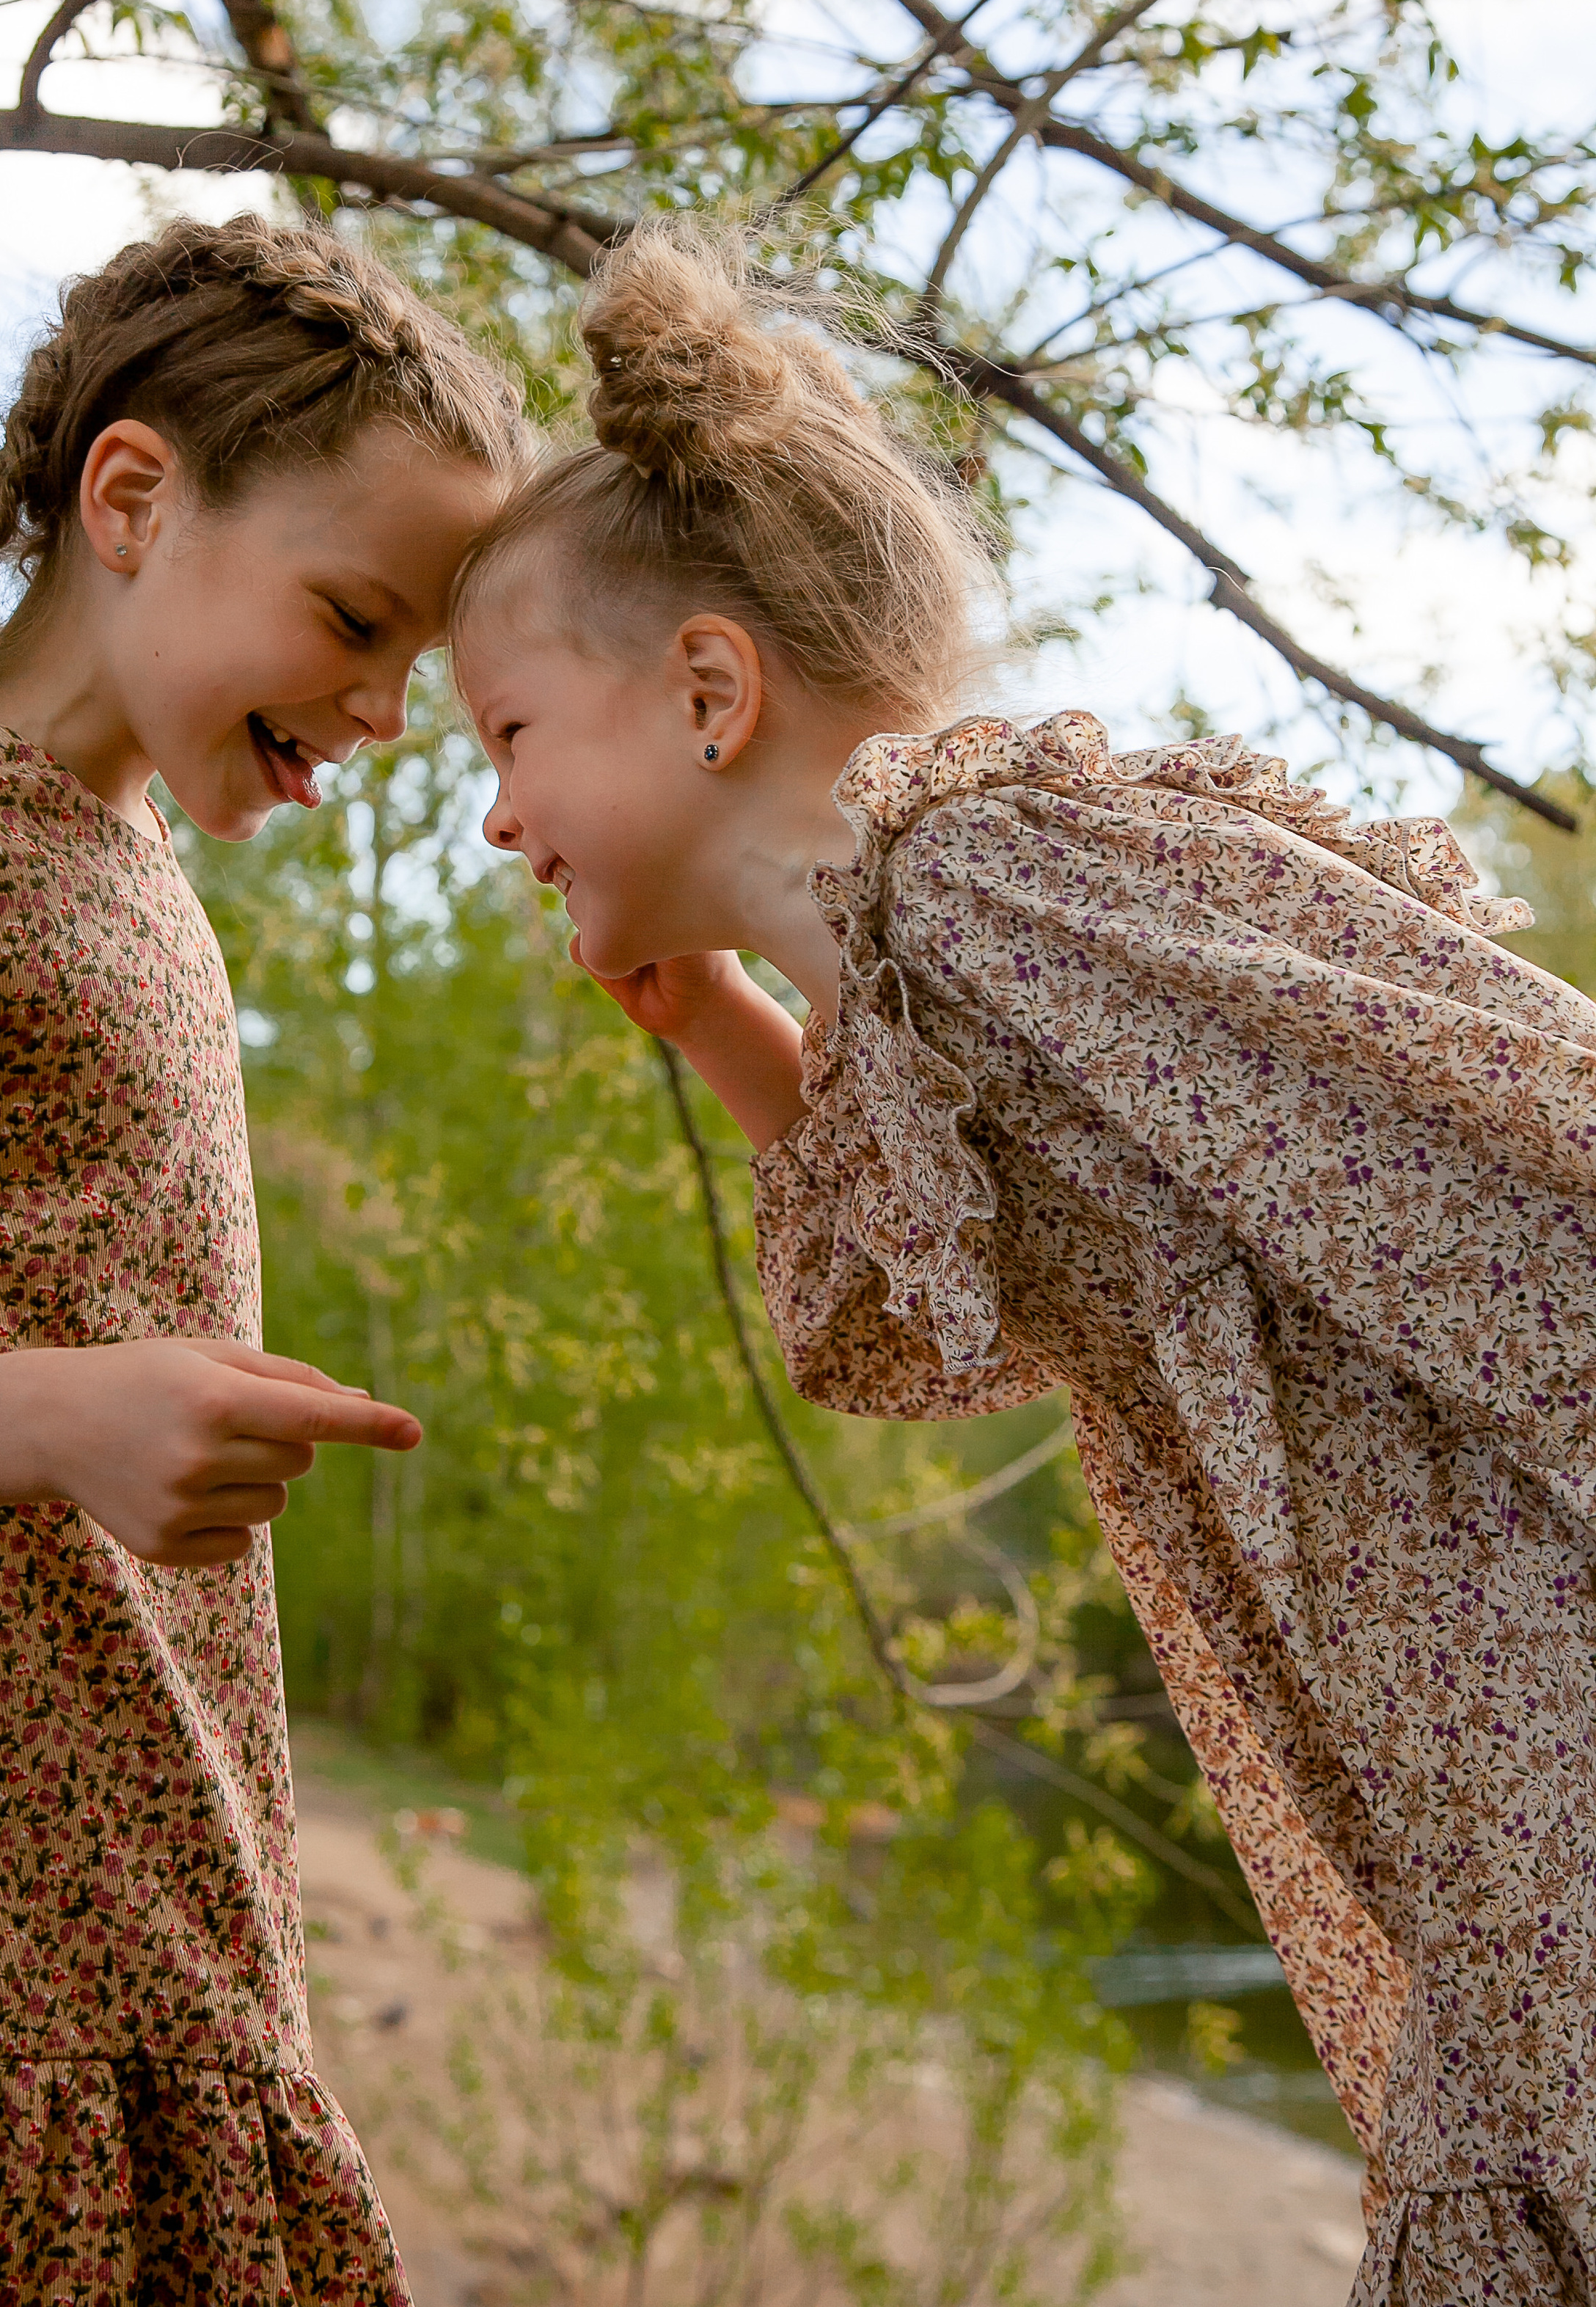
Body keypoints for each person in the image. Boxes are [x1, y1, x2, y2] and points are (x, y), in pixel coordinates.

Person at [451, 216, 1596, 2307]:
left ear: (708, 688)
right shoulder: (915, 975)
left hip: (1535, 1701)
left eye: (511, 735)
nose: (498, 820)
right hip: (1451, 1769)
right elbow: (916, 1326)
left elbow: (1512, 1119)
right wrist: (722, 1024)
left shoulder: (1001, 878)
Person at [0, 213, 527, 2303]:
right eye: (354, 619)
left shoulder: (127, 863)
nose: (380, 707)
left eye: (416, 668)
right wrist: (56, 1417)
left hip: (142, 1903)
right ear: (137, 500)